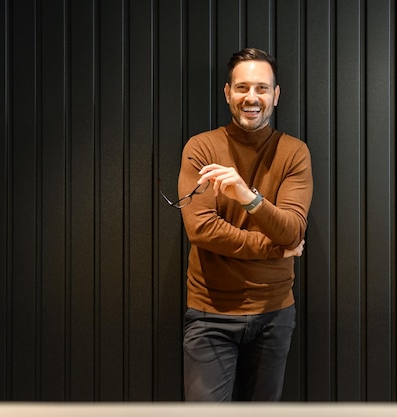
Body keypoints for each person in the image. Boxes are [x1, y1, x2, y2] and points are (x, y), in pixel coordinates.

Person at [173, 47, 313, 401]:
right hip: (210, 315)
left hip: (274, 313)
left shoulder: (294, 152)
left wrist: (247, 196)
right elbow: (202, 230)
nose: (251, 98)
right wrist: (275, 249)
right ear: (227, 93)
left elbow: (292, 230)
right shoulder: (201, 149)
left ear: (276, 95)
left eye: (262, 89)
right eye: (242, 88)